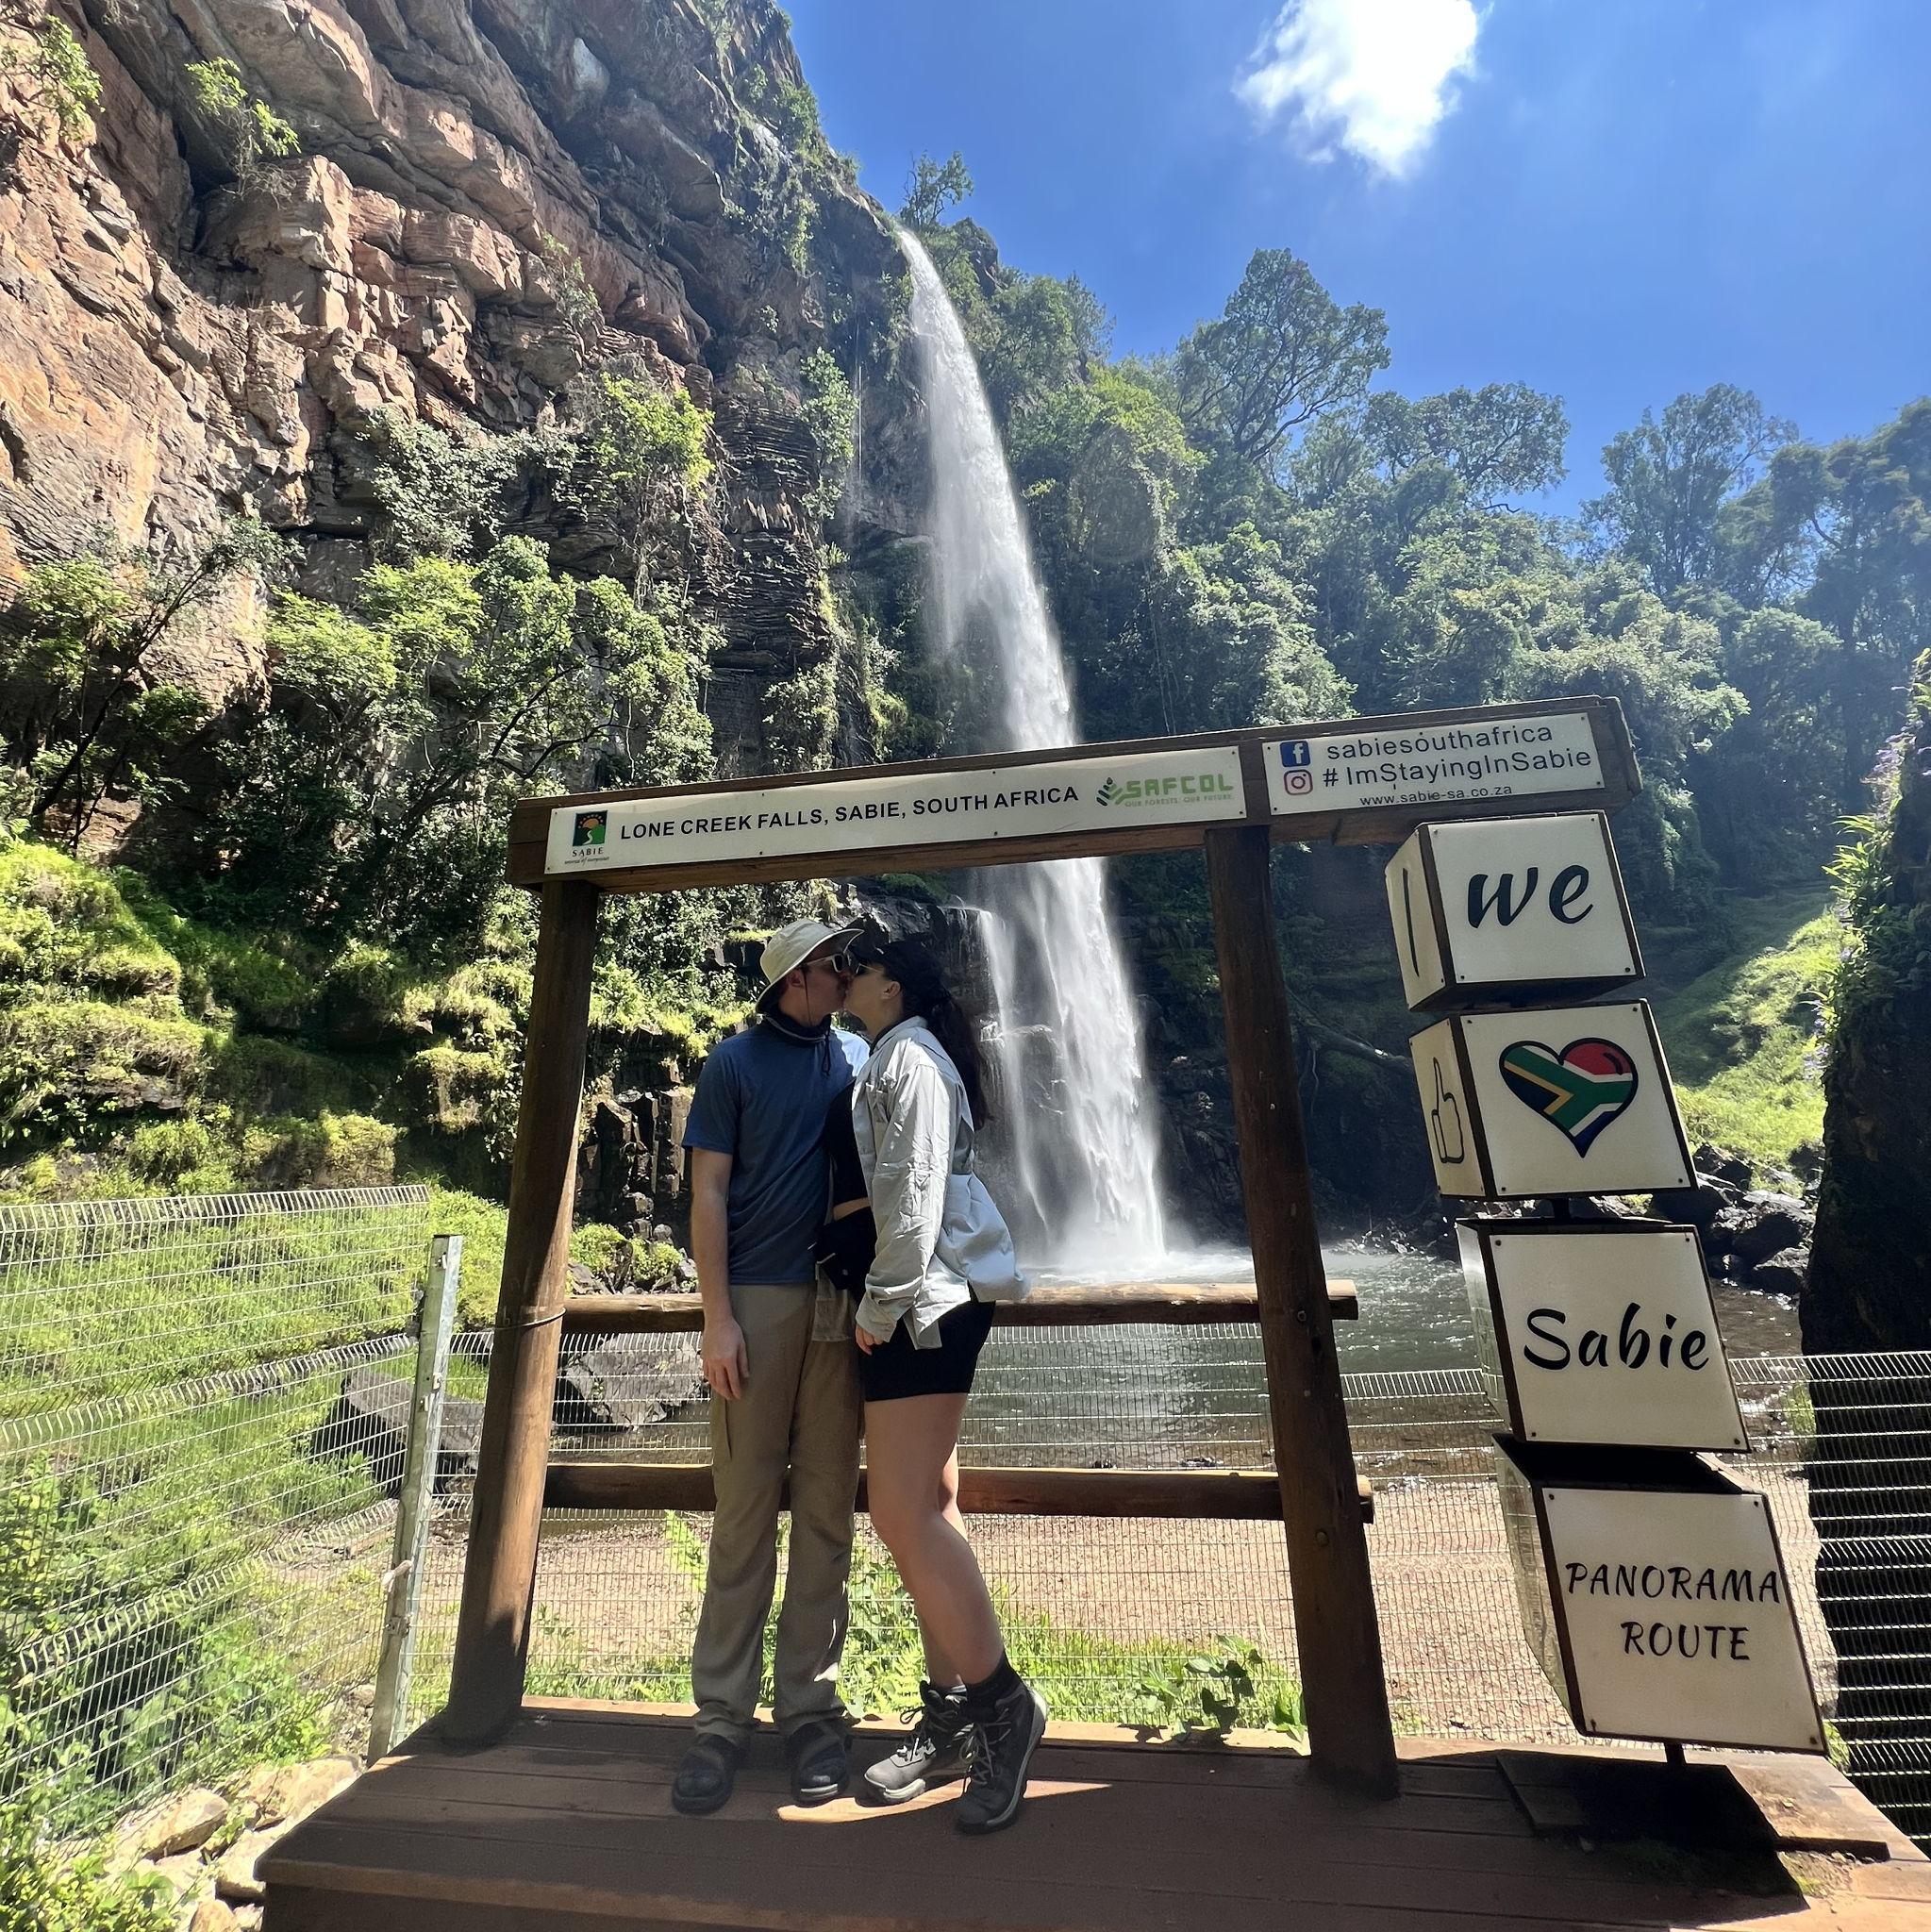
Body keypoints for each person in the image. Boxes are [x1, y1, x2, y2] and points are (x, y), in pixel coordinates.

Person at [834, 932, 1045, 1836]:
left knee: (897, 1510)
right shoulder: (896, 1051)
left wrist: (880, 1304)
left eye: (856, 967)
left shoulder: (910, 1058)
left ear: (889, 985)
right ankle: (954, 1709)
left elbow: (913, 1188)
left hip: (925, 1302)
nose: (843, 977)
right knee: (934, 1499)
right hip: (929, 1297)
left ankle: (1003, 1706)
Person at [671, 919, 869, 1816]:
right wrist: (717, 1319)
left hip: (841, 1303)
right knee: (745, 1507)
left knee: (827, 1507)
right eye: (835, 965)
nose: (848, 975)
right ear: (795, 979)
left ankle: (810, 1713)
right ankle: (720, 1719)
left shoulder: (859, 1054)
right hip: (755, 1300)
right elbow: (705, 1190)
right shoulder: (733, 1063)